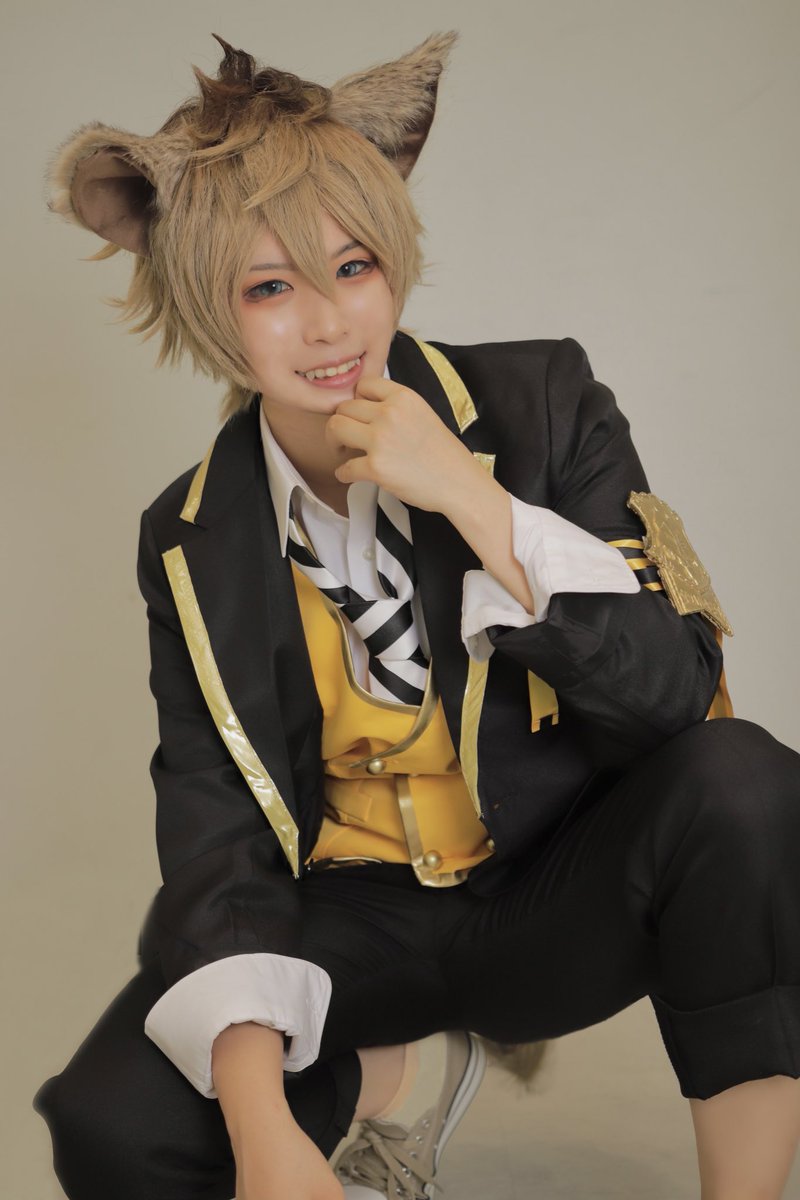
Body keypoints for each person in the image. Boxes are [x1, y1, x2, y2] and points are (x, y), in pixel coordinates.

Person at [34, 30, 800, 1200]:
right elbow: (216, 834)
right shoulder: (185, 534)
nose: (329, 326)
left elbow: (672, 698)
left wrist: (471, 500)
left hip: (550, 895)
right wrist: (260, 1133)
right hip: (347, 925)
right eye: (269, 287)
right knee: (109, 1127)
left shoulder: (543, 399)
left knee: (742, 782)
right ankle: (380, 1078)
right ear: (204, 306)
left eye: (352, 267)